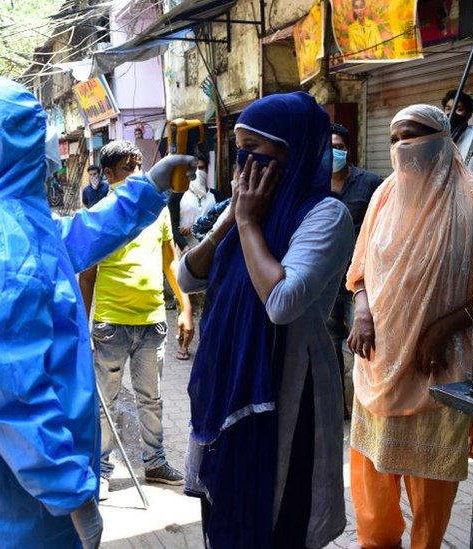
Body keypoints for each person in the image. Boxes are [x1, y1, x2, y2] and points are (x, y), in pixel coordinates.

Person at [0, 74, 195, 549]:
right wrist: (71, 493)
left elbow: (69, 242)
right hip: (26, 485)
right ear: (10, 143)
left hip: (17, 470)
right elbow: (13, 387)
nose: (47, 146)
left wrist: (144, 190)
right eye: (34, 130)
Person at [177, 92, 353, 548]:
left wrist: (250, 224)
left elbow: (281, 301)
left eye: (256, 149)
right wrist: (230, 220)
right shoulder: (246, 207)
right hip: (228, 381)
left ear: (292, 151)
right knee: (228, 508)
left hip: (288, 384)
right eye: (239, 148)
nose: (243, 162)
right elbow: (187, 275)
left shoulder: (325, 214)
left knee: (280, 515)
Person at [346, 105, 473, 549]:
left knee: (430, 492)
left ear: (443, 141)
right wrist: (362, 310)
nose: (404, 148)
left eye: (415, 137)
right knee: (374, 484)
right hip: (378, 364)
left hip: (437, 369)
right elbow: (359, 268)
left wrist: (443, 328)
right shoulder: (385, 194)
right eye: (396, 138)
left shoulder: (471, 200)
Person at [77, 140, 193, 497]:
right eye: (128, 168)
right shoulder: (103, 213)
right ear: (109, 175)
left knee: (151, 397)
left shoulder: (157, 211)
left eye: (139, 165)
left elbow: (170, 260)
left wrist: (185, 307)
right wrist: (82, 324)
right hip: (111, 322)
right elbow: (87, 274)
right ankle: (101, 468)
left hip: (152, 321)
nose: (137, 173)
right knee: (104, 401)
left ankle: (154, 462)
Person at [327, 123, 384, 416]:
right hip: (325, 280)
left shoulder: (371, 183)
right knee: (330, 344)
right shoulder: (314, 183)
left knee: (365, 342)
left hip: (361, 281)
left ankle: (369, 406)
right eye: (328, 146)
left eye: (338, 146)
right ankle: (339, 407)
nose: (333, 151)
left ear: (348, 149)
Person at [179, 155, 217, 250]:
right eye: (193, 169)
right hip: (186, 254)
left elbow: (222, 222)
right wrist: (184, 244)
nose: (197, 172)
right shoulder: (178, 196)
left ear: (207, 170)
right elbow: (172, 227)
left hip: (210, 252)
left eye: (201, 168)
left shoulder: (216, 196)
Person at [442, 89, 473, 173]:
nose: (451, 114)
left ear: (468, 115)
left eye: (459, 109)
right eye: (448, 109)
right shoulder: (438, 136)